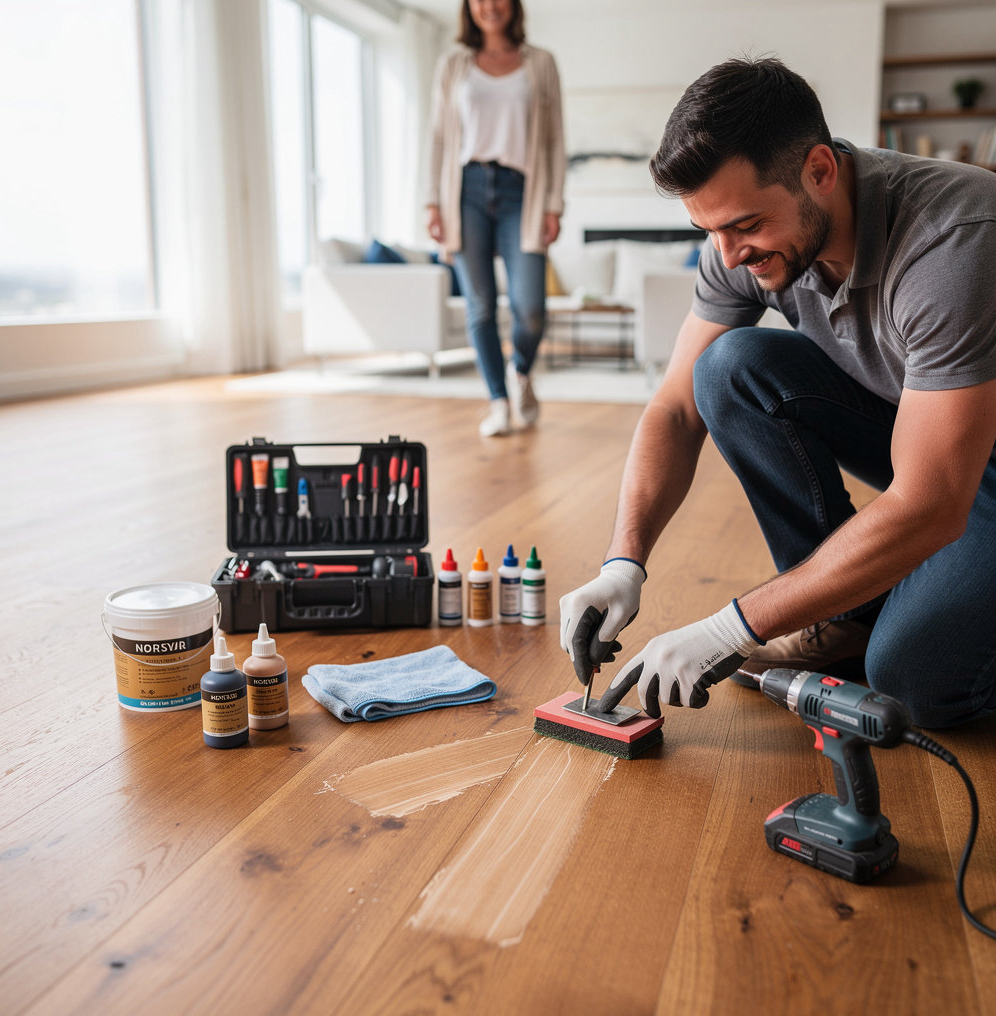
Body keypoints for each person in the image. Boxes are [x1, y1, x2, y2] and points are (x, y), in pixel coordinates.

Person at [559, 56, 996, 730]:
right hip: (929, 432)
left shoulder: (952, 243)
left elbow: (933, 503)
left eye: (745, 226)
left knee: (914, 681)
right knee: (727, 368)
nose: (728, 255)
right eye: (710, 232)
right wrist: (623, 563)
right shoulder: (741, 240)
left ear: (820, 171)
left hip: (971, 468)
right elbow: (675, 408)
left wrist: (733, 626)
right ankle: (846, 614)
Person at [426, 0, 566, 437]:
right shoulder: (453, 65)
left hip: (522, 193)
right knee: (480, 307)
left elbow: (555, 139)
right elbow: (437, 137)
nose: (490, 5)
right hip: (464, 191)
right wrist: (432, 203)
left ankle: (519, 370)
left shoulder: (541, 63)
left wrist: (554, 204)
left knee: (531, 310)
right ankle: (498, 403)